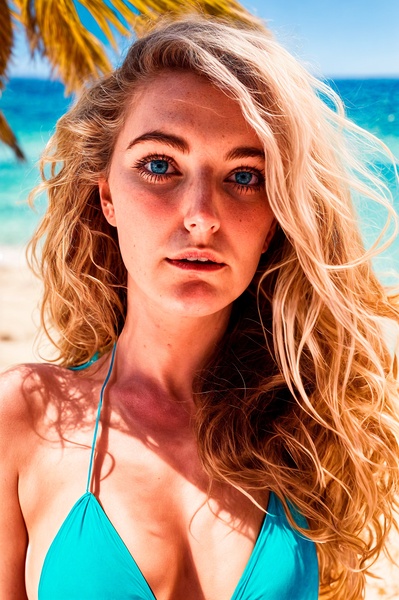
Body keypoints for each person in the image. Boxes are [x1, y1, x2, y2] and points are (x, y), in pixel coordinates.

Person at [1, 15, 398, 600]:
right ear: (106, 194)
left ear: (276, 219)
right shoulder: (25, 418)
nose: (202, 214)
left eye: (244, 175)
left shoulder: (314, 429)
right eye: (160, 165)